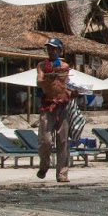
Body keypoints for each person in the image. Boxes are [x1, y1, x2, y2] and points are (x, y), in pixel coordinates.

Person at [36, 38, 73, 182]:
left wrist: (72, 92)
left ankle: (62, 173)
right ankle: (44, 165)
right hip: (47, 105)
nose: (51, 51)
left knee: (63, 140)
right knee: (45, 140)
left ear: (59, 50)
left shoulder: (65, 66)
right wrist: (49, 78)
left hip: (62, 105)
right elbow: (39, 82)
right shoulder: (41, 65)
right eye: (49, 48)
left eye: (53, 48)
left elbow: (66, 85)